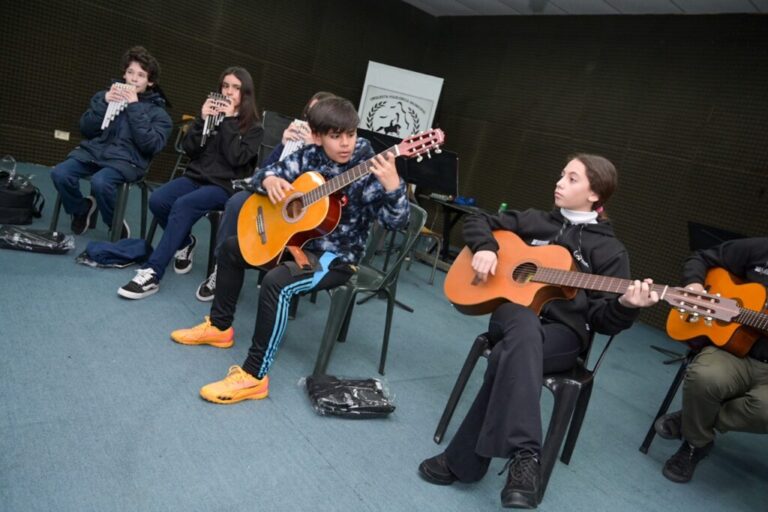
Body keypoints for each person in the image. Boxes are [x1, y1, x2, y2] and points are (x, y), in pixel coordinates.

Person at [418, 154, 659, 509]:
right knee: (523, 325)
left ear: (596, 194)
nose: (560, 182)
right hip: (511, 315)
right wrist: (486, 247)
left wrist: (626, 305)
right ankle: (527, 455)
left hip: (563, 335)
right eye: (562, 175)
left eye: (572, 178)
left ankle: (463, 462)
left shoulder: (610, 251)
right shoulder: (536, 221)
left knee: (507, 356)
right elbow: (479, 221)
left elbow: (605, 321)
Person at [170, 97, 410, 403]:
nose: (346, 143)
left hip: (334, 259)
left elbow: (396, 222)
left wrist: (393, 186)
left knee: (276, 283)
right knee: (231, 248)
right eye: (335, 136)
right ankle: (219, 327)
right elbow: (256, 177)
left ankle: (254, 377)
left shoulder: (367, 168)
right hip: (296, 242)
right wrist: (269, 180)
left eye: (350, 134)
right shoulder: (308, 155)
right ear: (318, 136)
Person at [117, 67, 263, 299]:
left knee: (184, 205)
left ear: (245, 93)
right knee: (158, 200)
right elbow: (190, 149)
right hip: (195, 177)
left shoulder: (254, 128)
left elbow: (237, 159)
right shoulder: (212, 117)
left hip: (224, 187)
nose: (229, 92)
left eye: (236, 88)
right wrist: (201, 121)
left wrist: (227, 122)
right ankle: (185, 242)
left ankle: (152, 272)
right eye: (225, 86)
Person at [195, 91, 336, 301]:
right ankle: (221, 270)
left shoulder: (332, 148)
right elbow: (265, 170)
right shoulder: (296, 136)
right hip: (273, 193)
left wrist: (314, 148)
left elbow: (326, 186)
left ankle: (272, 271)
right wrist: (283, 144)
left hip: (300, 205)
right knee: (235, 203)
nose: (309, 119)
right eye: (309, 113)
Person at [654, 237, 768, 483]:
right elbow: (701, 257)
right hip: (733, 351)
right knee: (704, 376)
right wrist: (694, 286)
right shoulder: (760, 249)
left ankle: (692, 420)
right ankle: (697, 443)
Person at [50, 46, 172, 238]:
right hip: (95, 152)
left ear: (150, 82)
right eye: (130, 72)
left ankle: (113, 222)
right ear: (124, 74)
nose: (133, 78)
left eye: (141, 75)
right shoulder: (105, 97)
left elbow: (151, 145)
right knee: (60, 172)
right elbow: (86, 129)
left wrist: (134, 107)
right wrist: (104, 102)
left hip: (128, 160)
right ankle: (81, 209)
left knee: (101, 182)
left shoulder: (160, 114)